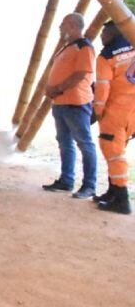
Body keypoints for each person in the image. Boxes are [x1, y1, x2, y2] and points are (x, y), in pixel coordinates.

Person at [42, 12, 97, 199]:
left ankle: (89, 185)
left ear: (73, 26)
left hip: (76, 102)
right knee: (65, 142)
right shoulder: (68, 47)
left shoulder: (84, 47)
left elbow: (81, 74)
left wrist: (58, 88)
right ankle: (66, 180)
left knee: (84, 143)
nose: (60, 27)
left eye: (63, 24)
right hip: (61, 103)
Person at [92, 20, 135, 214]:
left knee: (113, 152)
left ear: (113, 33)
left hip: (115, 111)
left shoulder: (107, 56)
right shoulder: (132, 48)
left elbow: (103, 87)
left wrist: (98, 112)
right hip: (131, 112)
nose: (102, 37)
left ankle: (121, 198)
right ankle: (113, 192)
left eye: (104, 32)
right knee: (117, 150)